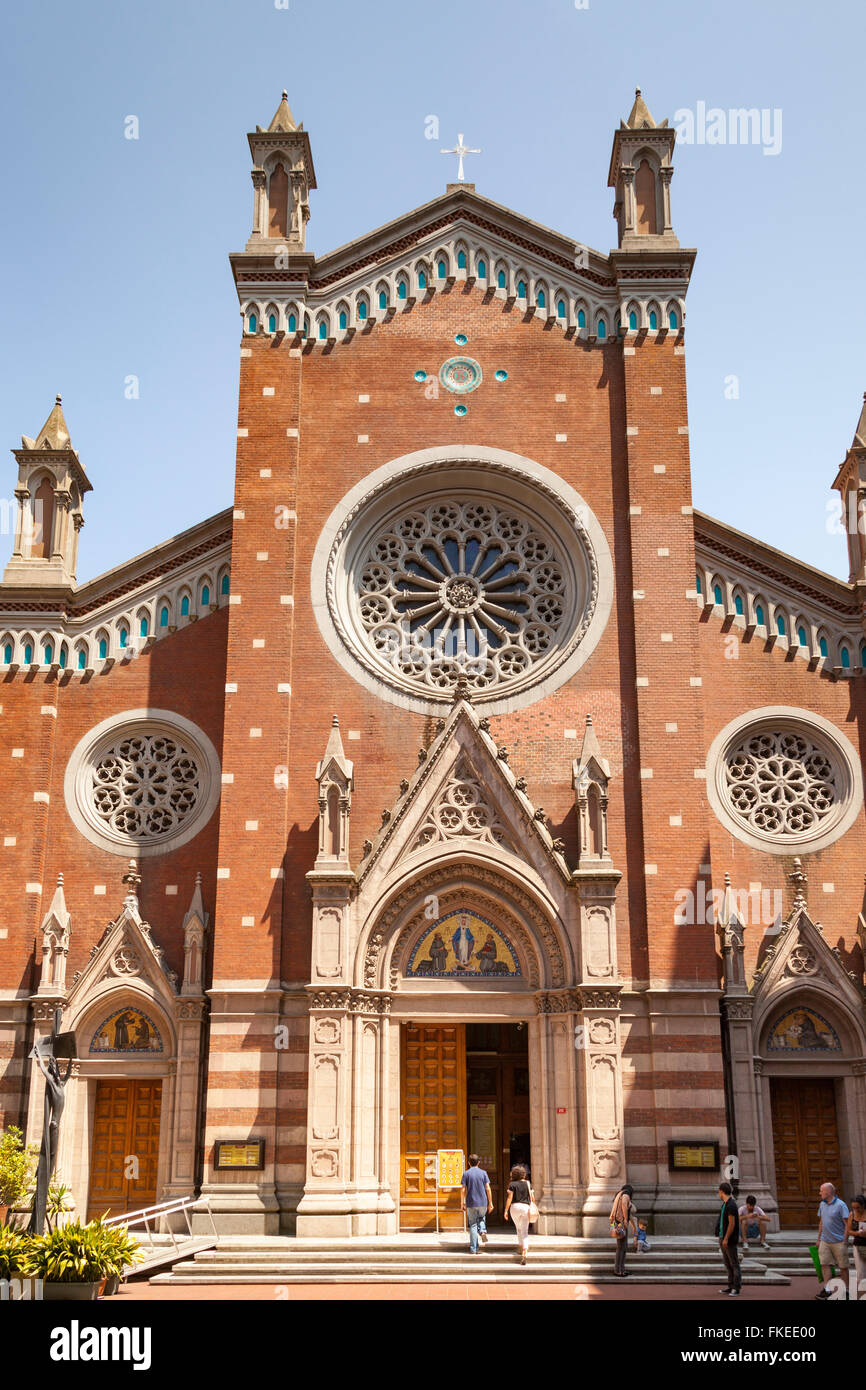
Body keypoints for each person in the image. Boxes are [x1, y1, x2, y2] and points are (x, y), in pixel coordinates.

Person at [815, 1182, 849, 1300]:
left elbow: (847, 1224)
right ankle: (827, 1289)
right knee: (824, 1264)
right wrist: (819, 1239)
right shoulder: (822, 1204)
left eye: (821, 1191)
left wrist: (845, 1240)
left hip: (839, 1241)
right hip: (825, 1240)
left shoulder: (841, 1205)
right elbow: (821, 1222)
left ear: (828, 1192)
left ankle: (846, 1291)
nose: (819, 1193)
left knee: (843, 1266)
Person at [460, 1153, 493, 1255]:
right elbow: (487, 1188)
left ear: (469, 1163)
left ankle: (474, 1249)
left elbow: (462, 1190)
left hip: (471, 1202)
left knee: (473, 1225)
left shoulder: (466, 1174)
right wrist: (490, 1202)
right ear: (479, 1162)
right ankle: (483, 1230)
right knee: (482, 1218)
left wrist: (462, 1203)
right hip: (483, 1202)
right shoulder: (483, 1173)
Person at [504, 1163, 534, 1266]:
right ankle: (525, 1252)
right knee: (525, 1231)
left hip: (515, 1208)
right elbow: (532, 1197)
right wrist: (533, 1206)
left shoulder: (512, 1184)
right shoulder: (528, 1183)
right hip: (525, 1207)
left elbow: (509, 1198)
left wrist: (506, 1210)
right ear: (523, 1174)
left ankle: (520, 1248)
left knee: (519, 1228)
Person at [717, 1181, 741, 1296]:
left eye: (719, 1191)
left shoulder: (731, 1205)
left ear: (722, 1191)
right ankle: (730, 1286)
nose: (718, 1193)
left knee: (734, 1263)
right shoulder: (725, 1204)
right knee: (727, 1263)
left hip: (729, 1239)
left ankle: (736, 1288)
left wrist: (726, 1238)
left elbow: (732, 1224)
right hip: (723, 1237)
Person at [609, 1183, 636, 1277]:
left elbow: (630, 1215)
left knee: (623, 1247)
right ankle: (618, 1270)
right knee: (621, 1247)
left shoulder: (619, 1195)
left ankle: (622, 1269)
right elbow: (625, 1205)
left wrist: (634, 1227)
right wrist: (625, 1219)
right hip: (620, 1223)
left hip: (617, 1222)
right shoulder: (625, 1194)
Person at [845, 1195, 866, 1296]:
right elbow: (849, 1231)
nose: (856, 1209)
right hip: (858, 1246)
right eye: (853, 1207)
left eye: (858, 1207)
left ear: (863, 1205)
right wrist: (858, 1233)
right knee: (861, 1273)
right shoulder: (852, 1215)